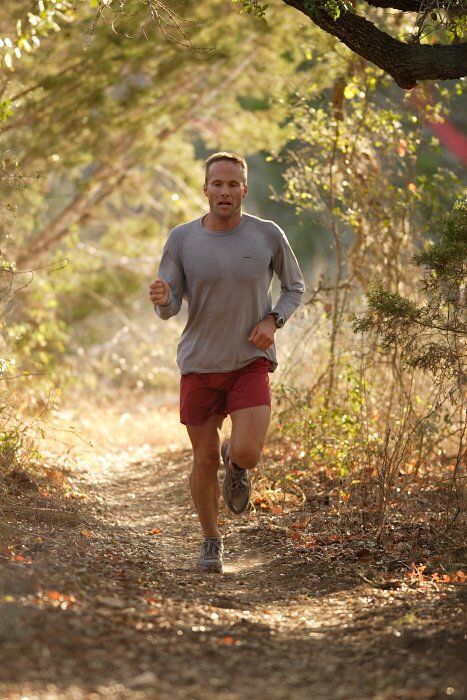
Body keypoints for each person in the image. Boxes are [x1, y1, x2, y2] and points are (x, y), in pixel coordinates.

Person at [149, 152, 305, 573]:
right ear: (205, 189)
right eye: (216, 184)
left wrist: (274, 320)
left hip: (249, 360)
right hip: (200, 362)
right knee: (202, 460)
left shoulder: (268, 234)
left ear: (244, 189)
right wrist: (164, 300)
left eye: (232, 184)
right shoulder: (182, 238)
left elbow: (294, 287)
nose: (224, 191)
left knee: (249, 451)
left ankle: (235, 463)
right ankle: (211, 541)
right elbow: (171, 304)